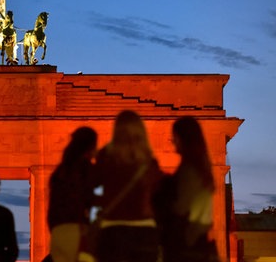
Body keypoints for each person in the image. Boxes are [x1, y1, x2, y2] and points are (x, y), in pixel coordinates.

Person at [93, 110, 162, 262]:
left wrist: (102, 201)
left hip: (113, 230)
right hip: (145, 231)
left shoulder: (107, 157)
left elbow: (88, 185)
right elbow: (159, 197)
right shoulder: (149, 162)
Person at [154, 116, 218, 262]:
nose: (173, 141)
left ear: (184, 138)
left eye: (175, 136)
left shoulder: (189, 171)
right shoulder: (201, 169)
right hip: (198, 241)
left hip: (187, 242)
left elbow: (180, 208)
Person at [47, 127, 98, 262]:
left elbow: (51, 211)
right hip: (80, 233)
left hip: (59, 234)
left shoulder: (59, 172)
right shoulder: (87, 169)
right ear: (90, 146)